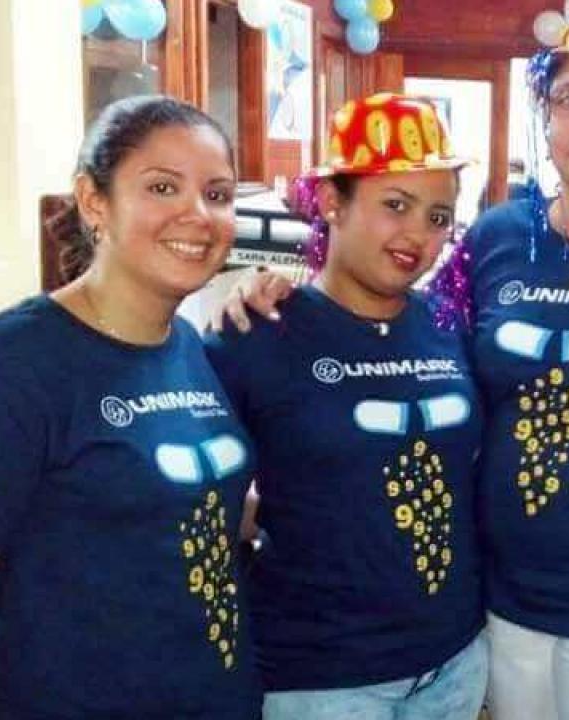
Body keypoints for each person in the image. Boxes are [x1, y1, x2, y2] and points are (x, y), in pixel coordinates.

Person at [217, 10, 569, 717]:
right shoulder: (499, 235)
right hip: (498, 603)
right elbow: (407, 325)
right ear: (546, 113)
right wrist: (283, 283)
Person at [204, 94, 487, 720]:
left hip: (455, 663)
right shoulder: (256, 333)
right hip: (322, 680)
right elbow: (195, 503)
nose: (418, 234)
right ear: (332, 201)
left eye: (439, 216)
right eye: (396, 205)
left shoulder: (450, 328)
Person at [0, 96, 259, 719]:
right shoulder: (15, 361)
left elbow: (172, 511)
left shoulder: (187, 343)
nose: (198, 214)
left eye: (217, 194)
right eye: (163, 187)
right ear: (93, 200)